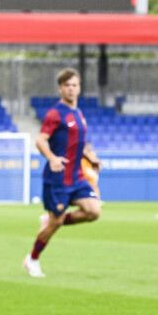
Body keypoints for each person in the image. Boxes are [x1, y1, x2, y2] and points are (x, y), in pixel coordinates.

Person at [23, 68, 102, 278]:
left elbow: (78, 143)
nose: (71, 89)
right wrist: (52, 158)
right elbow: (40, 140)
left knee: (94, 211)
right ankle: (32, 259)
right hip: (57, 179)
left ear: (79, 88)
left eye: (74, 85)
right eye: (67, 85)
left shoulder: (79, 114)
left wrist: (90, 157)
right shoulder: (55, 113)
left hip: (77, 177)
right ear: (60, 88)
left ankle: (50, 220)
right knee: (55, 224)